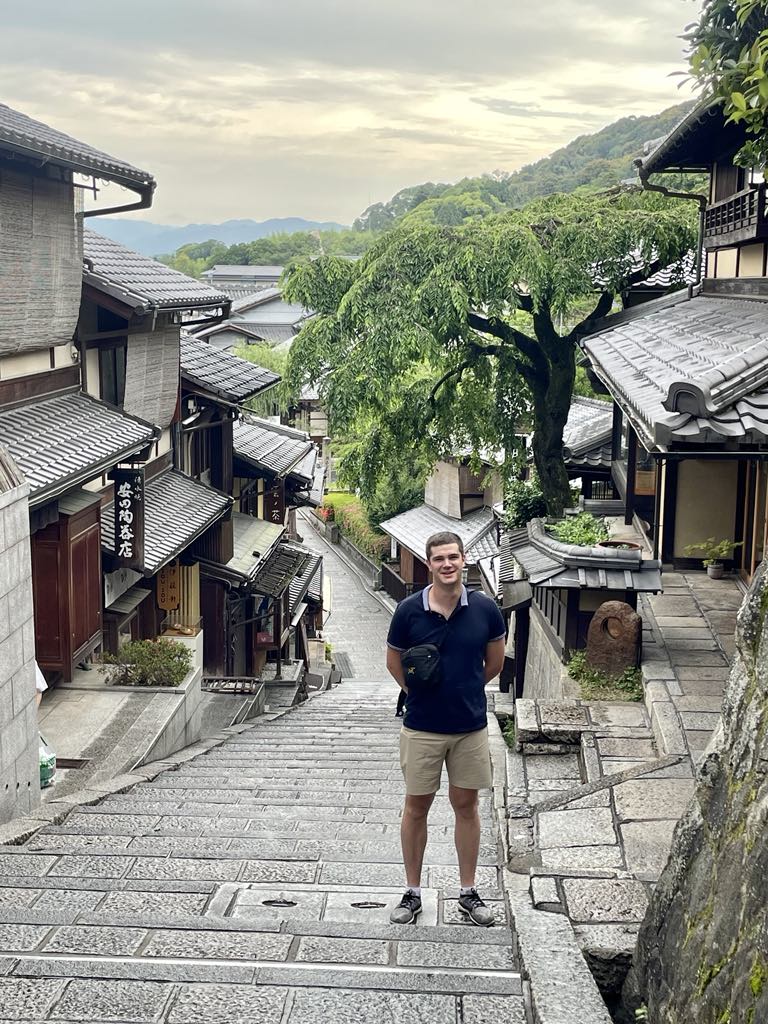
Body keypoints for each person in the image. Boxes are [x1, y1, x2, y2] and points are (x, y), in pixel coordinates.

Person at [386, 531, 506, 926]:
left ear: (464, 559)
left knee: (466, 806)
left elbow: (494, 664)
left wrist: (465, 691)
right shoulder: (408, 611)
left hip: (470, 726)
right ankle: (412, 891)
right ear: (429, 564)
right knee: (416, 806)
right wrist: (419, 693)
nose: (447, 564)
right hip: (421, 727)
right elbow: (394, 663)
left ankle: (468, 892)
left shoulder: (486, 610)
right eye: (439, 558)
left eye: (453, 556)